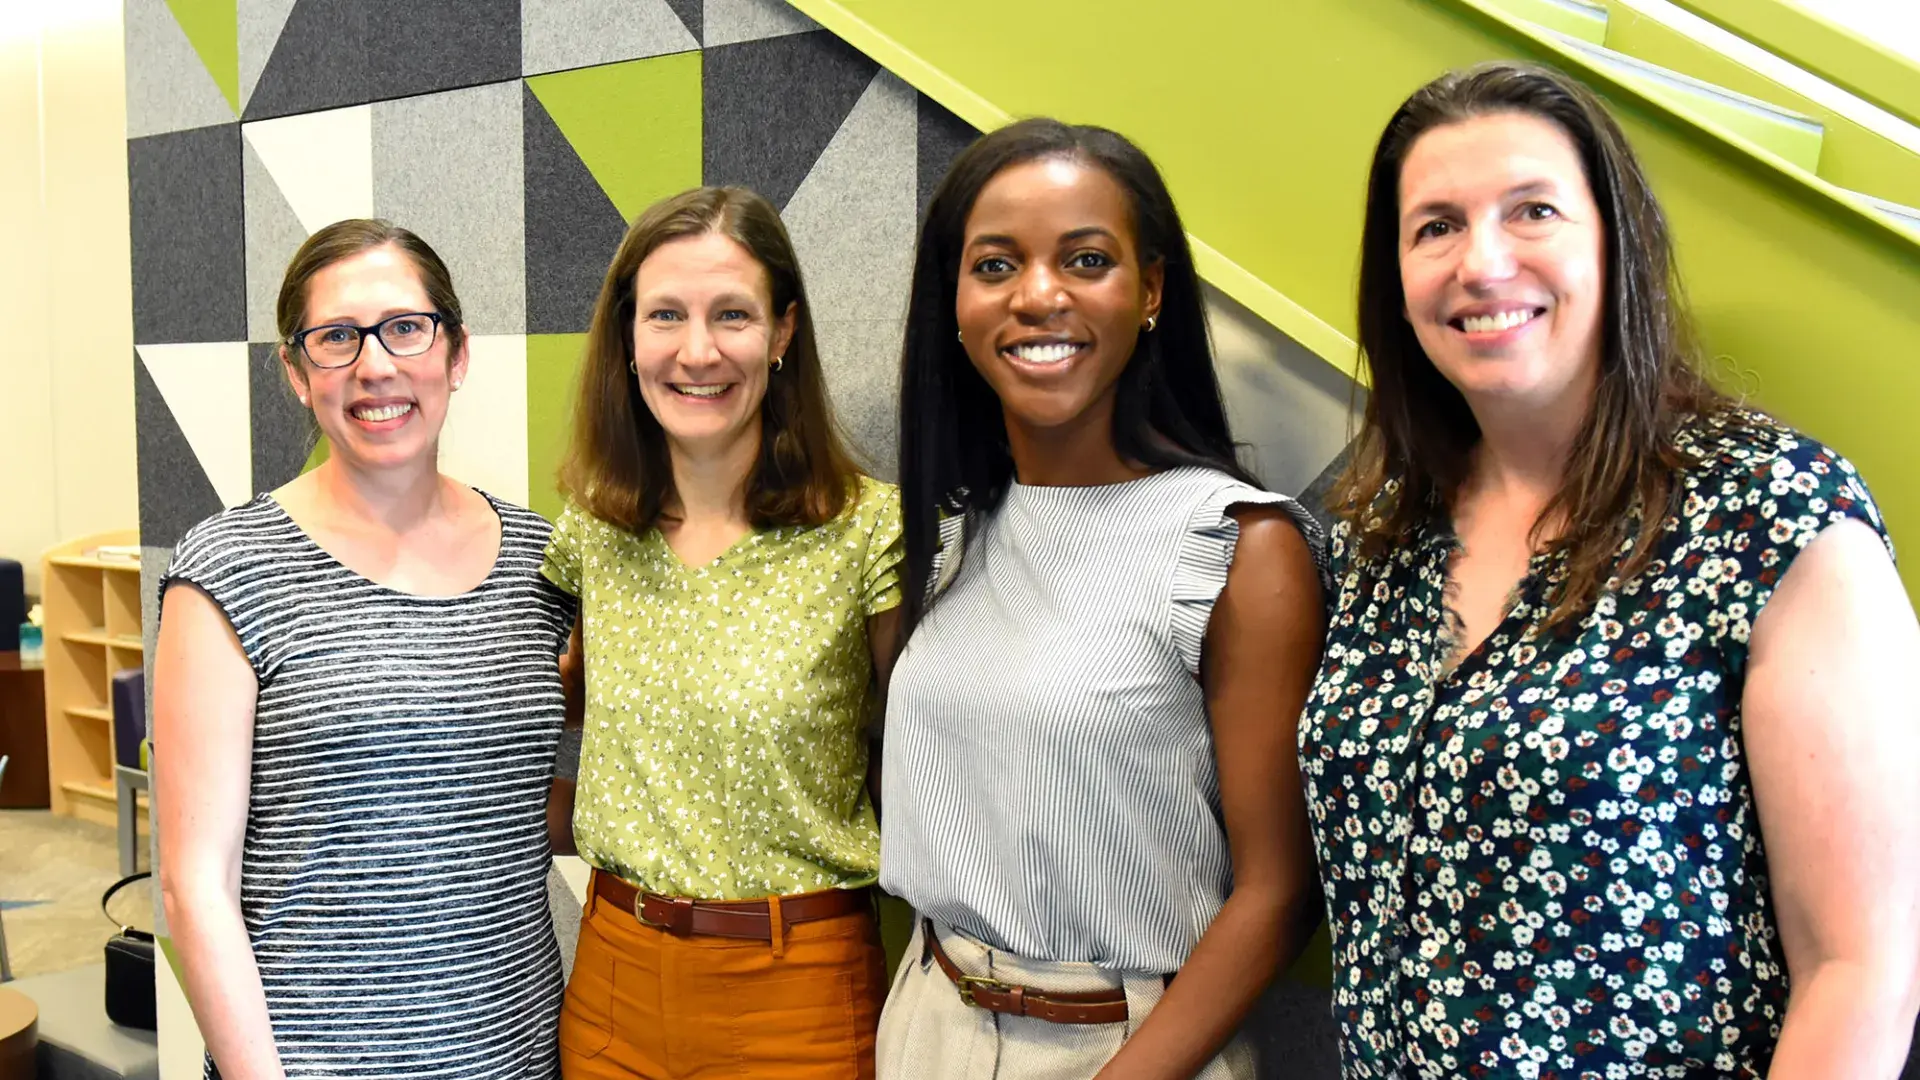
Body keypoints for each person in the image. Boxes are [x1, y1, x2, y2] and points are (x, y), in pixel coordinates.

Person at [1302, 60, 1920, 1078]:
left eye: (1533, 210)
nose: (1481, 261)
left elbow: (1862, 971)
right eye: (1436, 226)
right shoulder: (1383, 531)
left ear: (1616, 242)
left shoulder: (1768, 511)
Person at [876, 118, 1330, 1079]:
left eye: (1085, 259)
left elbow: (1278, 894)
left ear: (1151, 290)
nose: (1039, 296)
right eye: (995, 266)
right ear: (954, 304)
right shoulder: (956, 534)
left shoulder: (1239, 545)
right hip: (930, 1020)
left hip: (1130, 1045)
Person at [153, 219, 577, 1078]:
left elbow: (536, 812)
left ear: (455, 353)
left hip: (520, 1054)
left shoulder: (546, 560)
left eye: (405, 328)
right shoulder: (229, 568)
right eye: (336, 338)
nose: (375, 365)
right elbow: (193, 888)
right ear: (296, 371)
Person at [543, 186, 903, 1080]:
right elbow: (548, 723)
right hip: (613, 980)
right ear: (627, 338)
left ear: (783, 333)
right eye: (665, 314)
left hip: (798, 992)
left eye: (731, 314)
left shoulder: (867, 534)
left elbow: (931, 764)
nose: (696, 351)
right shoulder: (592, 531)